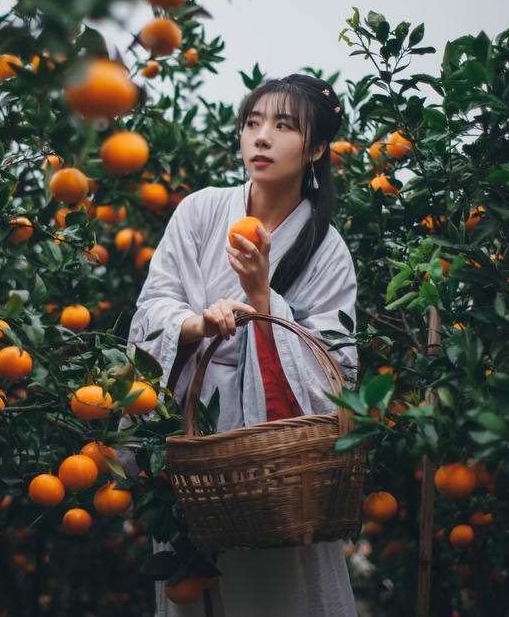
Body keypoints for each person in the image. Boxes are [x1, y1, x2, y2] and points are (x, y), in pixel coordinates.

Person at [129, 74, 358, 616]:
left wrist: (262, 297)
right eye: (253, 123)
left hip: (272, 458)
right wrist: (197, 325)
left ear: (317, 148)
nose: (261, 138)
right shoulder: (202, 211)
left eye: (283, 126)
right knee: (191, 588)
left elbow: (337, 368)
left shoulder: (326, 249)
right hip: (193, 439)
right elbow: (150, 311)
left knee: (275, 591)